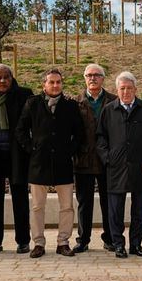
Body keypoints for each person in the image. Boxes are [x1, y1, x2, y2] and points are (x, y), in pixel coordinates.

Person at [16, 68, 85, 258]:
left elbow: (79, 133)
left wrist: (69, 151)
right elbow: (21, 130)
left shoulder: (71, 105)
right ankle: (38, 243)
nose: (55, 85)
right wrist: (33, 149)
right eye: (51, 82)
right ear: (44, 84)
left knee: (67, 207)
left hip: (63, 163)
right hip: (39, 164)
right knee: (37, 207)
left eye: (58, 82)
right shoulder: (32, 104)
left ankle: (63, 242)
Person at [96, 71, 142, 258]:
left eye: (129, 88)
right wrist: (107, 158)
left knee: (138, 209)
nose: (126, 92)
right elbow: (100, 138)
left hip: (140, 167)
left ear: (135, 90)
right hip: (116, 168)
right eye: (122, 88)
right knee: (115, 210)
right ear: (117, 90)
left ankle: (136, 245)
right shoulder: (109, 110)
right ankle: (118, 244)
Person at [0, 64, 33, 255]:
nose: (2, 81)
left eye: (6, 77)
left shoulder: (24, 95)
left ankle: (23, 241)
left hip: (16, 155)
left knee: (20, 198)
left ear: (12, 78)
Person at [72, 63, 117, 253]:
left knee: (108, 202)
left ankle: (110, 238)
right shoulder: (75, 102)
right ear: (84, 78)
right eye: (89, 75)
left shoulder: (114, 101)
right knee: (84, 203)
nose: (92, 78)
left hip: (107, 160)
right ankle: (83, 239)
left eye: (96, 75)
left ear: (103, 79)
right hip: (83, 160)